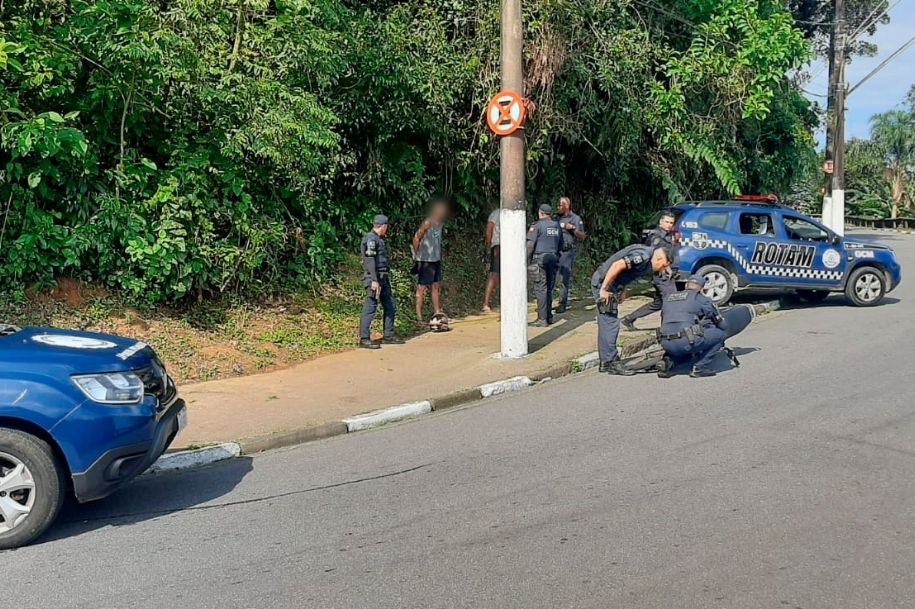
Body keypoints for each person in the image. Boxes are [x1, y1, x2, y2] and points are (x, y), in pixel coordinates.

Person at [592, 245, 673, 375]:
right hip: (605, 284)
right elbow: (617, 266)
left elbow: (626, 272)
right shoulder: (643, 256)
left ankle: (606, 362)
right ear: (659, 259)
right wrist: (605, 289)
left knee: (607, 322)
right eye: (663, 266)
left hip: (614, 285)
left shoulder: (647, 258)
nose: (662, 270)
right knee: (610, 323)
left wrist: (623, 288)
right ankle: (611, 362)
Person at [656, 274, 729, 378]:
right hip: (686, 342)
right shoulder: (700, 298)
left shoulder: (669, 298)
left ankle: (668, 362)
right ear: (702, 289)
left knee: (683, 342)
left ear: (686, 285)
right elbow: (720, 323)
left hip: (665, 343)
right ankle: (700, 367)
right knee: (720, 335)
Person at [621, 212, 678, 331]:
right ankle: (667, 329)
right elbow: (655, 255)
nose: (668, 225)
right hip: (662, 274)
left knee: (658, 303)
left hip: (667, 273)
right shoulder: (656, 237)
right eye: (666, 222)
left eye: (671, 223)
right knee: (672, 301)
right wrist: (666, 269)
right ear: (661, 222)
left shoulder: (668, 235)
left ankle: (629, 319)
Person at [359, 215, 403, 349]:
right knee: (370, 307)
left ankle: (388, 335)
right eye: (386, 227)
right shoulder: (371, 239)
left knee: (390, 306)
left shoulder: (379, 239)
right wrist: (374, 280)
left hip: (383, 278)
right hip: (374, 278)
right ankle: (364, 338)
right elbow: (369, 260)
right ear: (383, 226)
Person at [527, 203, 563, 327]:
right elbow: (561, 244)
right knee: (549, 288)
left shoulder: (537, 226)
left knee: (541, 288)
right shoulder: (557, 225)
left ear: (540, 213)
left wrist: (525, 259)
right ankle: (549, 317)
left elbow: (530, 245)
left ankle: (542, 319)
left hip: (540, 259)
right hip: (553, 259)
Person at [413, 199, 448, 323]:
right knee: (422, 287)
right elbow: (417, 237)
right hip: (425, 259)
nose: (443, 212)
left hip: (436, 259)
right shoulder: (428, 222)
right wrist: (417, 254)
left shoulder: (440, 223)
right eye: (441, 210)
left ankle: (437, 312)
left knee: (436, 285)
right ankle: (419, 316)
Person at [556, 196, 587, 313]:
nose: (558, 207)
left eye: (560, 205)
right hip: (556, 251)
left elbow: (582, 236)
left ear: (567, 206)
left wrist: (573, 228)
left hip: (567, 252)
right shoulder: (556, 218)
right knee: (554, 278)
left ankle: (562, 304)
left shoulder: (575, 218)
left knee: (565, 278)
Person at [482, 207, 501, 313]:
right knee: (494, 274)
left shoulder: (496, 213)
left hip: (503, 246)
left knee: (498, 275)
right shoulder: (496, 214)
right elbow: (489, 230)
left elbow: (489, 230)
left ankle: (499, 300)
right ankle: (486, 303)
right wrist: (490, 246)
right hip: (498, 246)